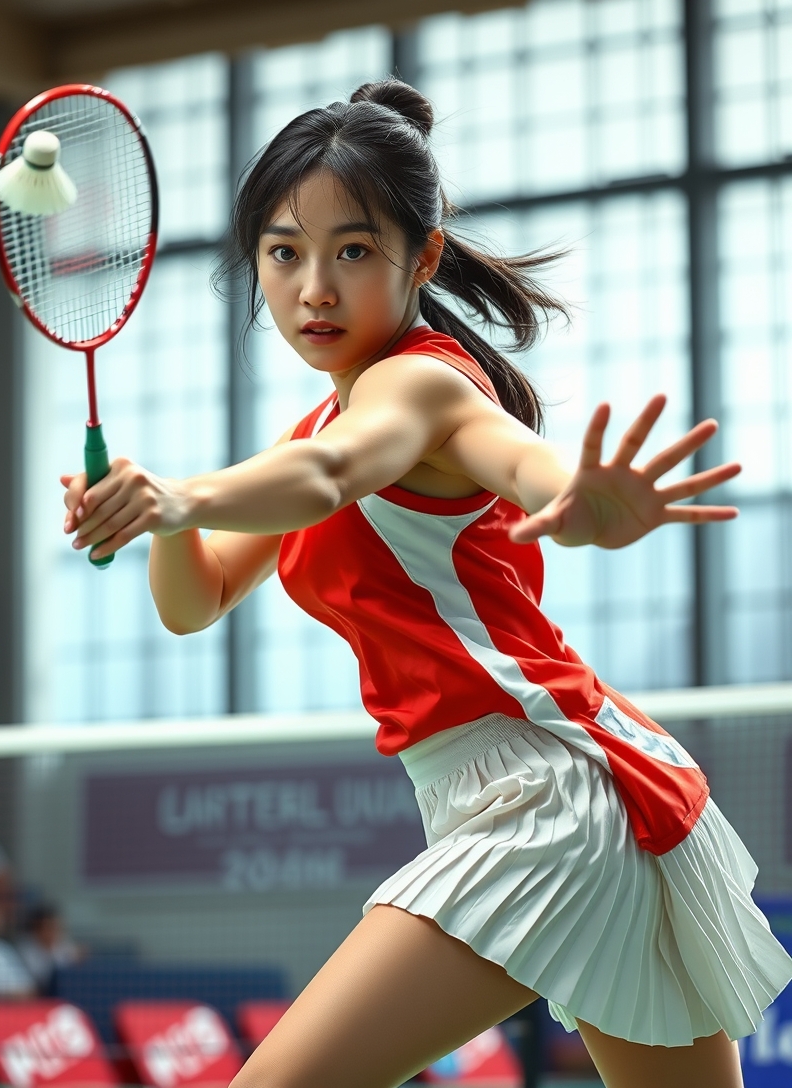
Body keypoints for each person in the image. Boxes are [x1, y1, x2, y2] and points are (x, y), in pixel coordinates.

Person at [60, 79, 792, 1088]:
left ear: (423, 256)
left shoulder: (420, 384)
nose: (313, 287)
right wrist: (154, 511)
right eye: (283, 253)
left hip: (544, 797)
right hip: (547, 794)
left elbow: (366, 476)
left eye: (352, 250)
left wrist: (578, 504)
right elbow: (194, 605)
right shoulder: (311, 430)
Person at [17, 903, 84, 994]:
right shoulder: (25, 951)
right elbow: (41, 980)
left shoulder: (64, 945)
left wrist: (79, 959)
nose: (53, 932)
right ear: (37, 930)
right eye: (49, 928)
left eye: (55, 927)